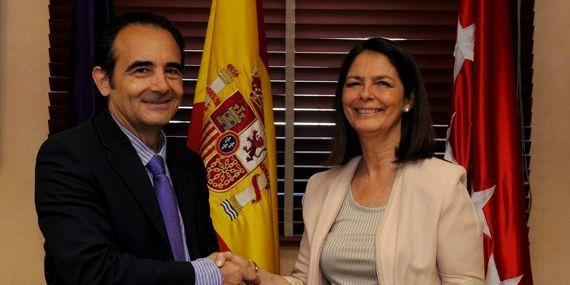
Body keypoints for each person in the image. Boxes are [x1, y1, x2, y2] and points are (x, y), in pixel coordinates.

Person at [220, 38, 484, 284]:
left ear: (408, 100)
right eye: (354, 83)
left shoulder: (443, 185)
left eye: (383, 83)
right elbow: (304, 279)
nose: (365, 94)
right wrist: (253, 275)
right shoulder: (320, 187)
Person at [35, 12, 255, 285]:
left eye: (172, 70)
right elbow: (91, 272)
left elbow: (207, 255)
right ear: (104, 81)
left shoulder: (188, 164)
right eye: (142, 70)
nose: (162, 85)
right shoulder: (68, 157)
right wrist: (208, 274)